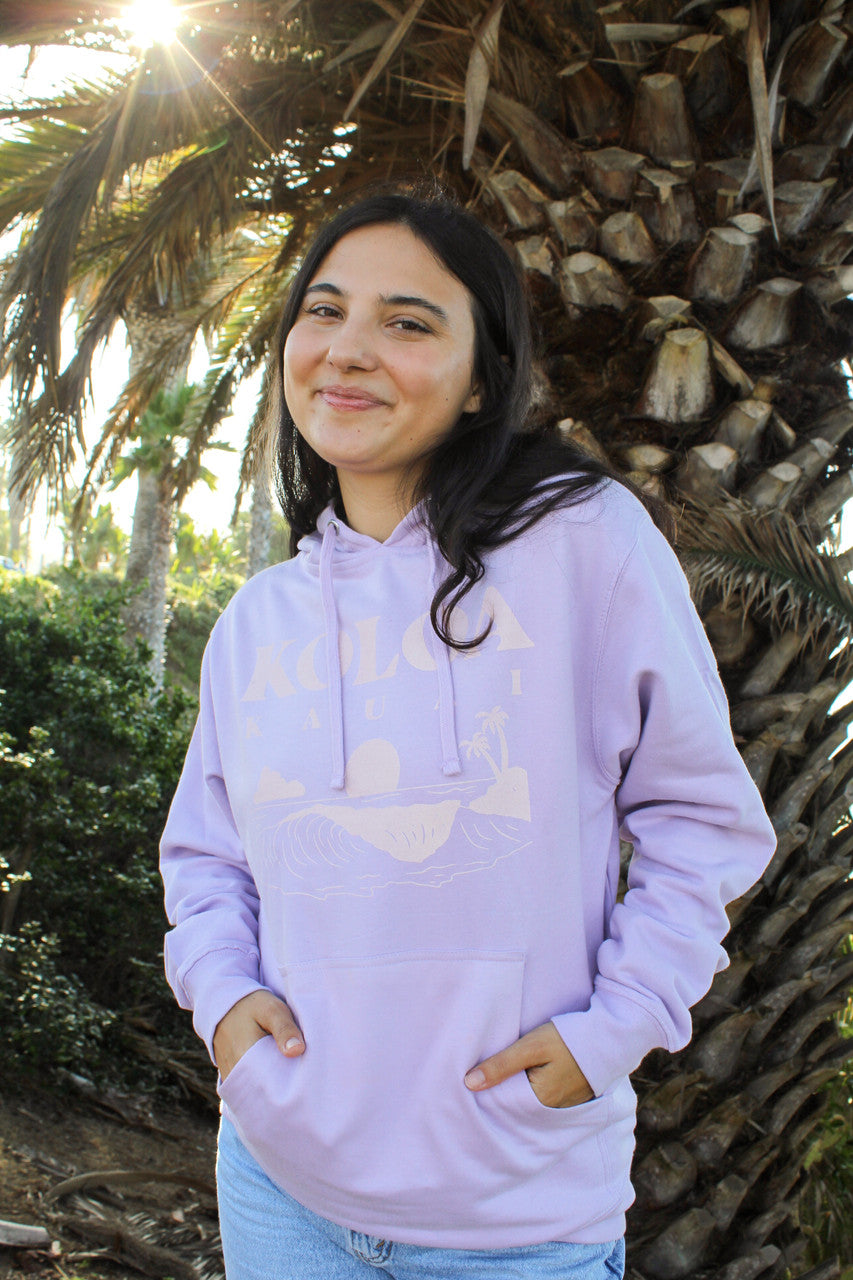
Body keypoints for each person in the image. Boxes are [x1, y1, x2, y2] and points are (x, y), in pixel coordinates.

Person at [159, 188, 776, 1280]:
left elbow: (701, 819)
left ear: (483, 378)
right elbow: (208, 855)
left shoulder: (584, 543)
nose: (349, 349)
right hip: (280, 1187)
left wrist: (615, 1028)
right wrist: (222, 1000)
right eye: (324, 311)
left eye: (407, 322)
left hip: (516, 1214)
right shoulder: (259, 620)